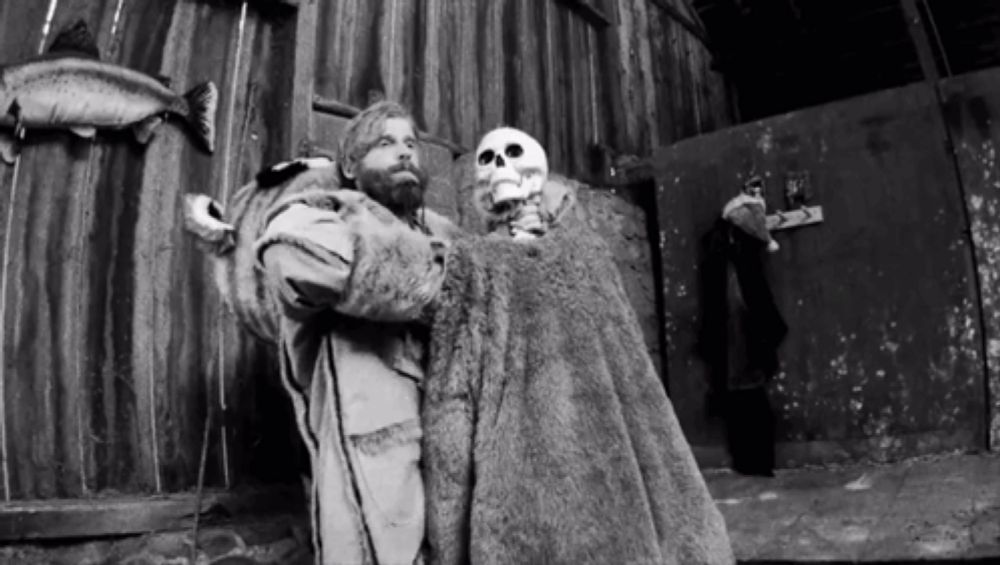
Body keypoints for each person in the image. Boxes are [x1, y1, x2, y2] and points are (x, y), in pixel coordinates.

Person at [253, 100, 456, 564]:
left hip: (449, 444)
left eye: (410, 143)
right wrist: (432, 284)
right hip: (373, 448)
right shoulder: (324, 212)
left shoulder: (443, 231)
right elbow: (295, 259)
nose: (404, 152)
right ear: (350, 165)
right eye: (385, 143)